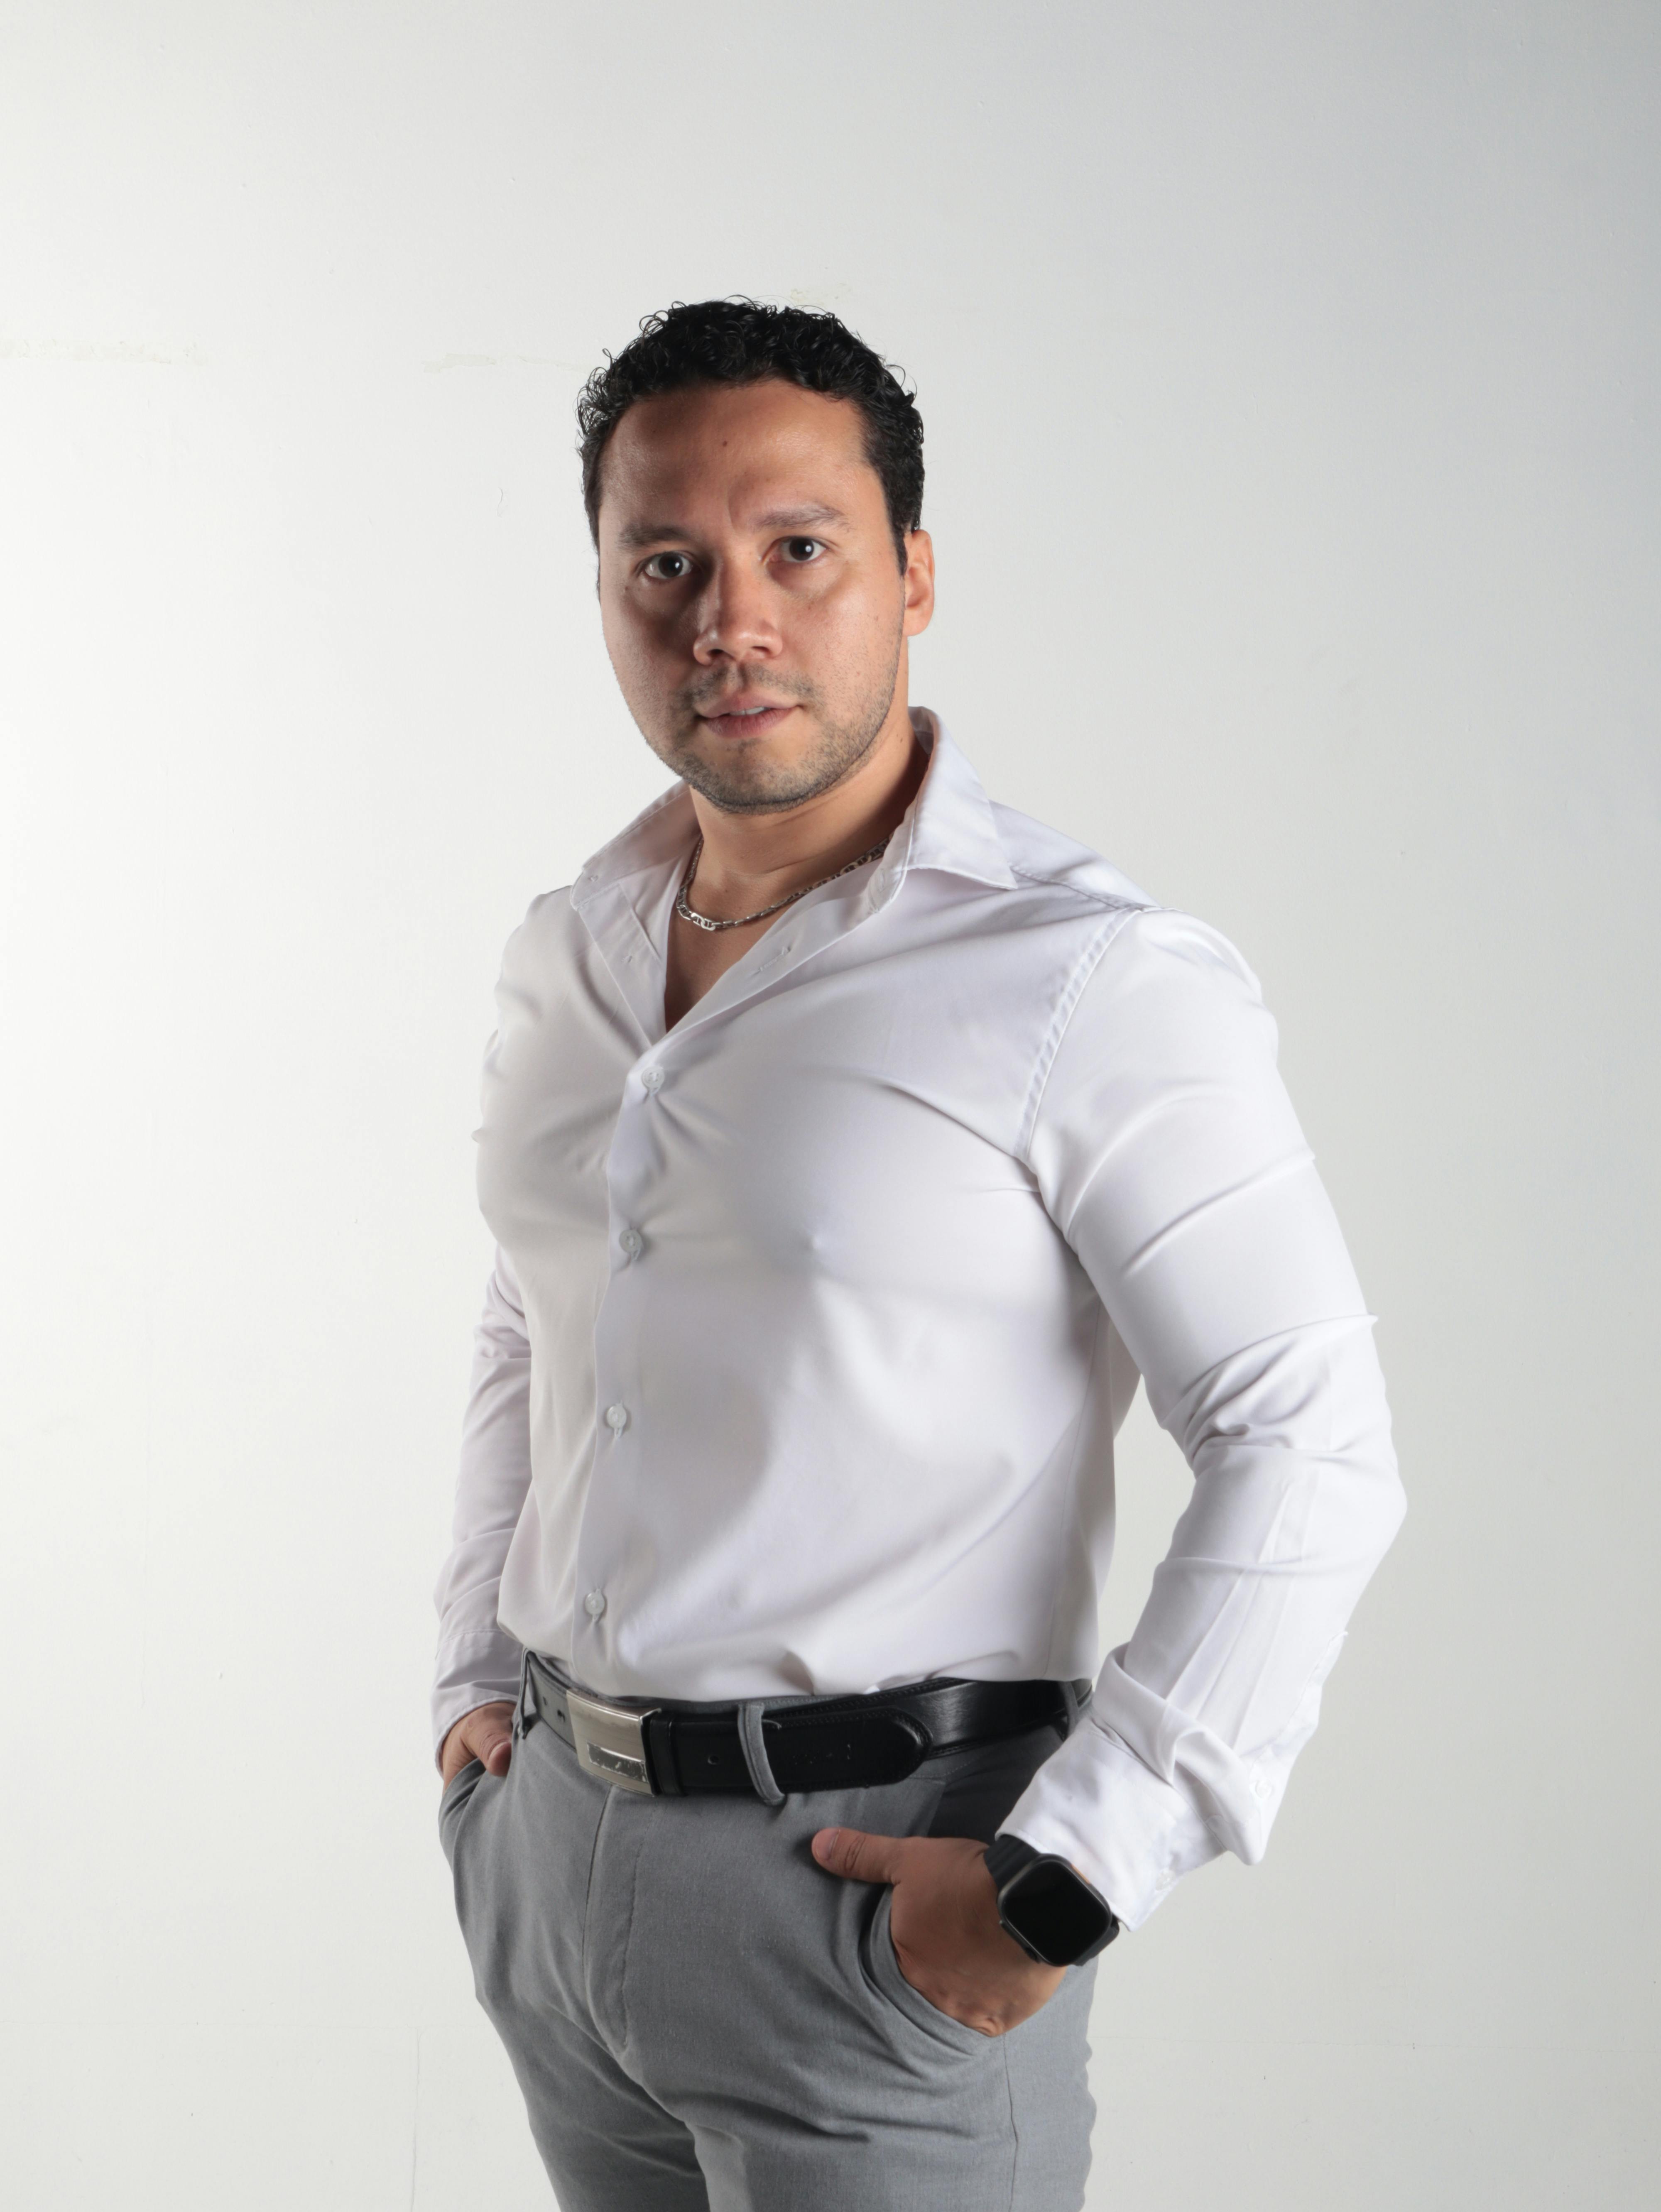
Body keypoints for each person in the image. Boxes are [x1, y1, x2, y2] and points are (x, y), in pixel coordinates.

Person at [431, 298, 1404, 2212]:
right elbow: (533, 1308)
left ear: (912, 574)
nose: (732, 619)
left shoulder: (1085, 979)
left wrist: (1066, 1878)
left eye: (798, 548)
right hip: (554, 1872)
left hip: (874, 1896)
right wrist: (471, 1692)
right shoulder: (571, 949)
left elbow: (1310, 1439)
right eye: (667, 564)